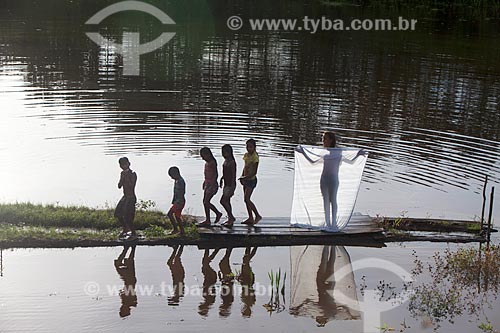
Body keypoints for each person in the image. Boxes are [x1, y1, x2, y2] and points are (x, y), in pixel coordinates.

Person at [198, 147, 222, 227]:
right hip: (207, 184)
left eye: (203, 156)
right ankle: (207, 219)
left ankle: (218, 213)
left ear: (208, 154)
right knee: (204, 202)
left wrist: (212, 183)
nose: (202, 158)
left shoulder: (212, 162)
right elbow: (207, 174)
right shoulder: (206, 163)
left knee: (206, 202)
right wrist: (205, 182)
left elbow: (215, 174)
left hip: (212, 185)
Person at [239, 139, 262, 225]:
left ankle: (257, 215)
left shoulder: (255, 157)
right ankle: (250, 218)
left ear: (254, 147)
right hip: (245, 179)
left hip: (251, 180)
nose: (248, 148)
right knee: (246, 200)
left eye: (250, 147)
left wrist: (246, 177)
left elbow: (254, 172)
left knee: (247, 199)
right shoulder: (246, 155)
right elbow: (245, 167)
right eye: (247, 146)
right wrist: (242, 176)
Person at [114, 157, 137, 239]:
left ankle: (133, 233)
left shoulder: (133, 174)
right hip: (125, 197)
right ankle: (125, 229)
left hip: (131, 197)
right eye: (121, 165)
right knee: (117, 213)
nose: (123, 166)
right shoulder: (122, 173)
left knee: (128, 217)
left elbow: (131, 186)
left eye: (124, 164)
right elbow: (119, 186)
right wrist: (122, 179)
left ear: (128, 164)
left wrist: (125, 177)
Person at [220, 144, 237, 228]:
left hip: (230, 185)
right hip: (226, 183)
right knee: (227, 201)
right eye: (222, 152)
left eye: (224, 152)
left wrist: (232, 186)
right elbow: (225, 173)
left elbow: (233, 174)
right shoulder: (226, 161)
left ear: (229, 152)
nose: (223, 154)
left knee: (223, 201)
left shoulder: (232, 162)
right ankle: (230, 218)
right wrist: (222, 179)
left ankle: (231, 217)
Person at [167, 167, 186, 236]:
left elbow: (181, 193)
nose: (171, 178)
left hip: (179, 202)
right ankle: (182, 231)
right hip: (178, 201)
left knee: (169, 214)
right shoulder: (177, 180)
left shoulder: (181, 181)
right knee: (177, 216)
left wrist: (177, 203)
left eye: (172, 176)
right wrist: (174, 201)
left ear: (176, 174)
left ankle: (176, 229)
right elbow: (176, 192)